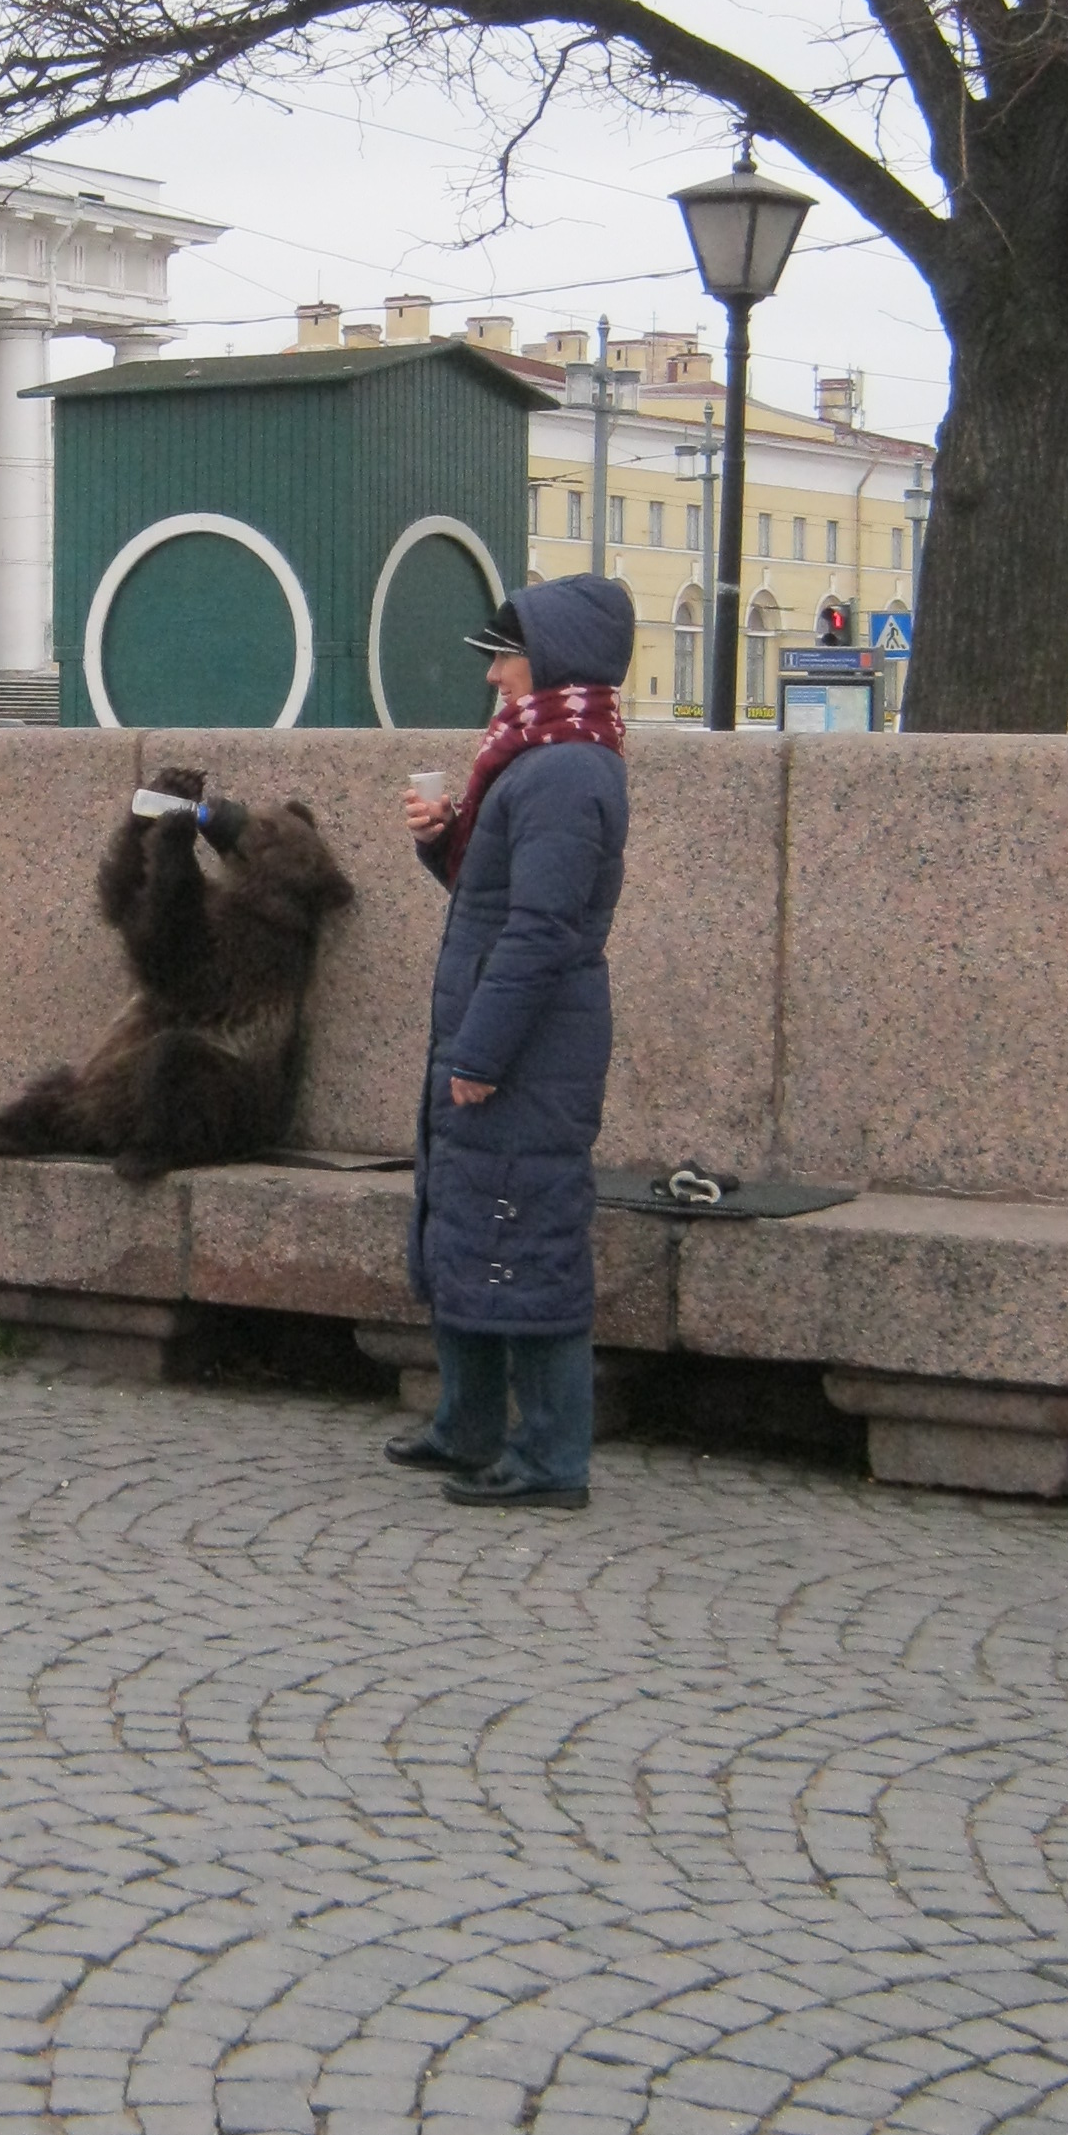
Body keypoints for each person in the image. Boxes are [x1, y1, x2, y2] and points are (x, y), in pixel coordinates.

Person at [391, 572, 635, 1510]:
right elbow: (496, 900)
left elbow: (541, 932)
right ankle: (469, 1426)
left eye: (507, 658)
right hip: (502, 1031)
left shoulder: (565, 771)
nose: (494, 677)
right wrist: (444, 840)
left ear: (555, 661)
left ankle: (551, 1460)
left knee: (526, 1238)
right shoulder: (539, 757)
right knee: (472, 1221)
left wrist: (482, 1053)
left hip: (528, 1049)